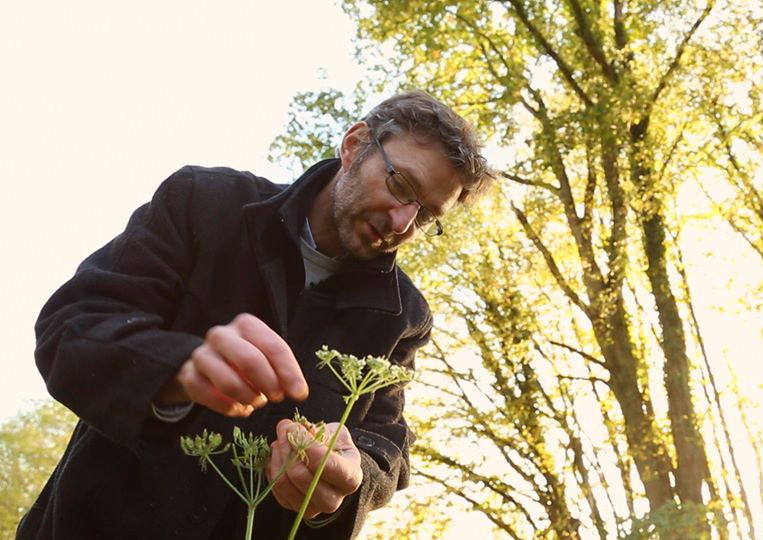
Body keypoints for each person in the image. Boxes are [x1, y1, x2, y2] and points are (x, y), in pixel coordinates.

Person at [18, 90, 494, 539]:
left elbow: (387, 447)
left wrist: (349, 481)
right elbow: (71, 328)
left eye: (426, 215)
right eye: (400, 183)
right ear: (355, 145)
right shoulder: (203, 203)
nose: (401, 222)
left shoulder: (403, 316)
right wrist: (177, 370)